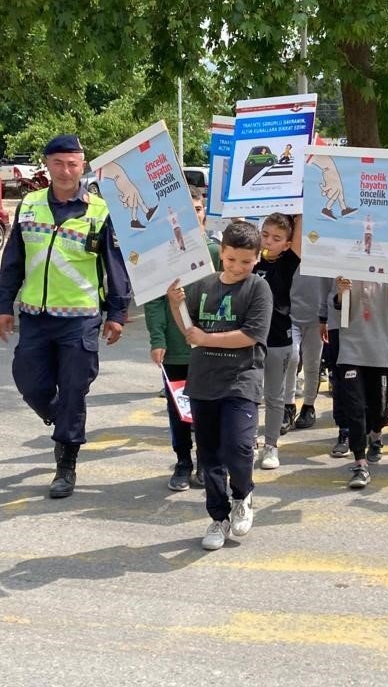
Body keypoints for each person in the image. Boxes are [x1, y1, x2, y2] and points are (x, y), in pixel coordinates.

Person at [0, 134, 132, 499]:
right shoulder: (29, 204)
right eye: (59, 163)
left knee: (74, 388)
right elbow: (13, 261)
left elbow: (114, 266)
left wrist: (117, 312)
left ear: (82, 166)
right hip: (36, 316)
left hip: (80, 318)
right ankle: (61, 415)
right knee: (29, 381)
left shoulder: (100, 211)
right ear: (48, 166)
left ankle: (65, 463)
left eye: (73, 164)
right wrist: (4, 305)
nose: (66, 170)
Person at [167, 221, 272, 551]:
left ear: (257, 258)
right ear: (221, 253)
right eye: (231, 260)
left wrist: (207, 337)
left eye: (246, 261)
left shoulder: (258, 288)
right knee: (209, 454)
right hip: (203, 381)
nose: (238, 267)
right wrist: (174, 302)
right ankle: (218, 517)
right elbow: (189, 329)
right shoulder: (204, 285)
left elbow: (251, 335)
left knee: (239, 446)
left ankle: (243, 495)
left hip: (241, 379)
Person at [145, 187, 220, 491]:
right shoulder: (162, 255)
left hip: (210, 349)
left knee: (208, 409)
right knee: (180, 410)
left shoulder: (216, 252)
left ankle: (206, 459)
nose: (193, 216)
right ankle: (182, 462)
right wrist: (157, 339)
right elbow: (153, 301)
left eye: (198, 210)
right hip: (176, 352)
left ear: (204, 213)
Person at [332, 266, 388, 488]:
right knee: (355, 407)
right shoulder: (346, 274)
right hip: (351, 351)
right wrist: (341, 292)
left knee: (378, 409)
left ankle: (376, 436)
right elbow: (340, 310)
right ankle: (360, 462)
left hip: (379, 352)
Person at [253, 213, 302, 470]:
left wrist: (300, 203)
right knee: (249, 395)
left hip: (278, 339)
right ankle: (249, 441)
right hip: (248, 340)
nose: (269, 241)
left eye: (277, 238)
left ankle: (270, 445)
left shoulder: (289, 262)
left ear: (287, 243)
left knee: (274, 396)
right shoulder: (249, 259)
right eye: (265, 235)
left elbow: (300, 230)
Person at [284, 270, 329, 430]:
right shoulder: (291, 252)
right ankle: (288, 405)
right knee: (292, 357)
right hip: (291, 315)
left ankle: (308, 406)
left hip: (318, 317)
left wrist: (327, 315)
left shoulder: (325, 252)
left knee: (312, 363)